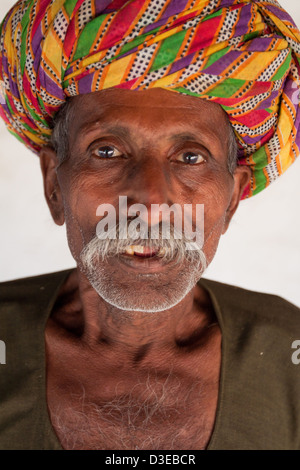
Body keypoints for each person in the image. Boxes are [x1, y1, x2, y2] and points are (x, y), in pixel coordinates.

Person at [0, 0, 300, 451]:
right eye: (106, 151)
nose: (152, 202)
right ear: (54, 185)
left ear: (232, 198)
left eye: (190, 157)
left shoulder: (288, 356)